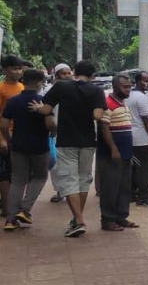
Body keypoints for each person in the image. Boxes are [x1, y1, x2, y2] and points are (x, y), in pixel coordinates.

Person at [31, 59, 106, 237]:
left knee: (69, 179)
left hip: (66, 141)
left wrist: (37, 108)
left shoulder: (62, 86)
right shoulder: (96, 90)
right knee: (84, 179)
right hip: (88, 141)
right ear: (92, 75)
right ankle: (76, 219)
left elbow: (46, 110)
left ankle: (78, 221)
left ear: (74, 72)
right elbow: (97, 115)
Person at [1, 68, 54, 230]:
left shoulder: (13, 101)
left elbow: (3, 125)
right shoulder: (43, 101)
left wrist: (9, 139)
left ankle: (10, 220)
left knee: (18, 180)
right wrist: (54, 131)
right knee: (40, 177)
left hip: (18, 145)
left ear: (23, 81)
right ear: (39, 83)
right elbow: (50, 124)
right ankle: (24, 210)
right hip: (39, 146)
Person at [96, 75, 137, 231]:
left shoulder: (123, 104)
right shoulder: (108, 104)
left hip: (125, 154)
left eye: (129, 87)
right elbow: (104, 127)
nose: (128, 90)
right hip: (111, 154)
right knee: (110, 187)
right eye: (125, 87)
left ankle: (121, 217)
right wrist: (113, 148)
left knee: (124, 187)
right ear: (115, 87)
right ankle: (108, 219)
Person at [126, 71, 148, 205]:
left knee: (135, 168)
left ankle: (132, 194)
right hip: (144, 140)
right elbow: (146, 120)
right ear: (137, 81)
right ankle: (144, 196)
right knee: (146, 169)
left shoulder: (129, 96)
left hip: (132, 138)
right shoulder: (141, 98)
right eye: (146, 80)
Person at [0, 55, 28, 216]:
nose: (18, 72)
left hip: (20, 135)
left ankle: (15, 206)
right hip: (5, 134)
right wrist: (2, 139)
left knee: (17, 173)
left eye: (19, 69)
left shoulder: (22, 87)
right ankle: (6, 208)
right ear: (5, 70)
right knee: (5, 173)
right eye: (14, 69)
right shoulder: (1, 89)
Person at [47, 64, 73, 202]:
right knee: (55, 165)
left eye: (69, 73)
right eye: (64, 73)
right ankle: (60, 191)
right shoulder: (49, 91)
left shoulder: (75, 90)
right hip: (54, 133)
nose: (67, 76)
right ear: (57, 75)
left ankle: (71, 192)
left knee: (71, 163)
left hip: (71, 132)